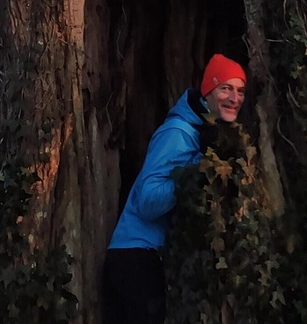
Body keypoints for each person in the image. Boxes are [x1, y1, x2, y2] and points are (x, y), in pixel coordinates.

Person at [104, 53, 247, 324]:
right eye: (225, 88)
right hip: (137, 257)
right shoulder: (178, 132)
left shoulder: (203, 133)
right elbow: (147, 203)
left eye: (240, 91)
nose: (234, 98)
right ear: (208, 91)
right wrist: (197, 165)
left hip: (144, 258)